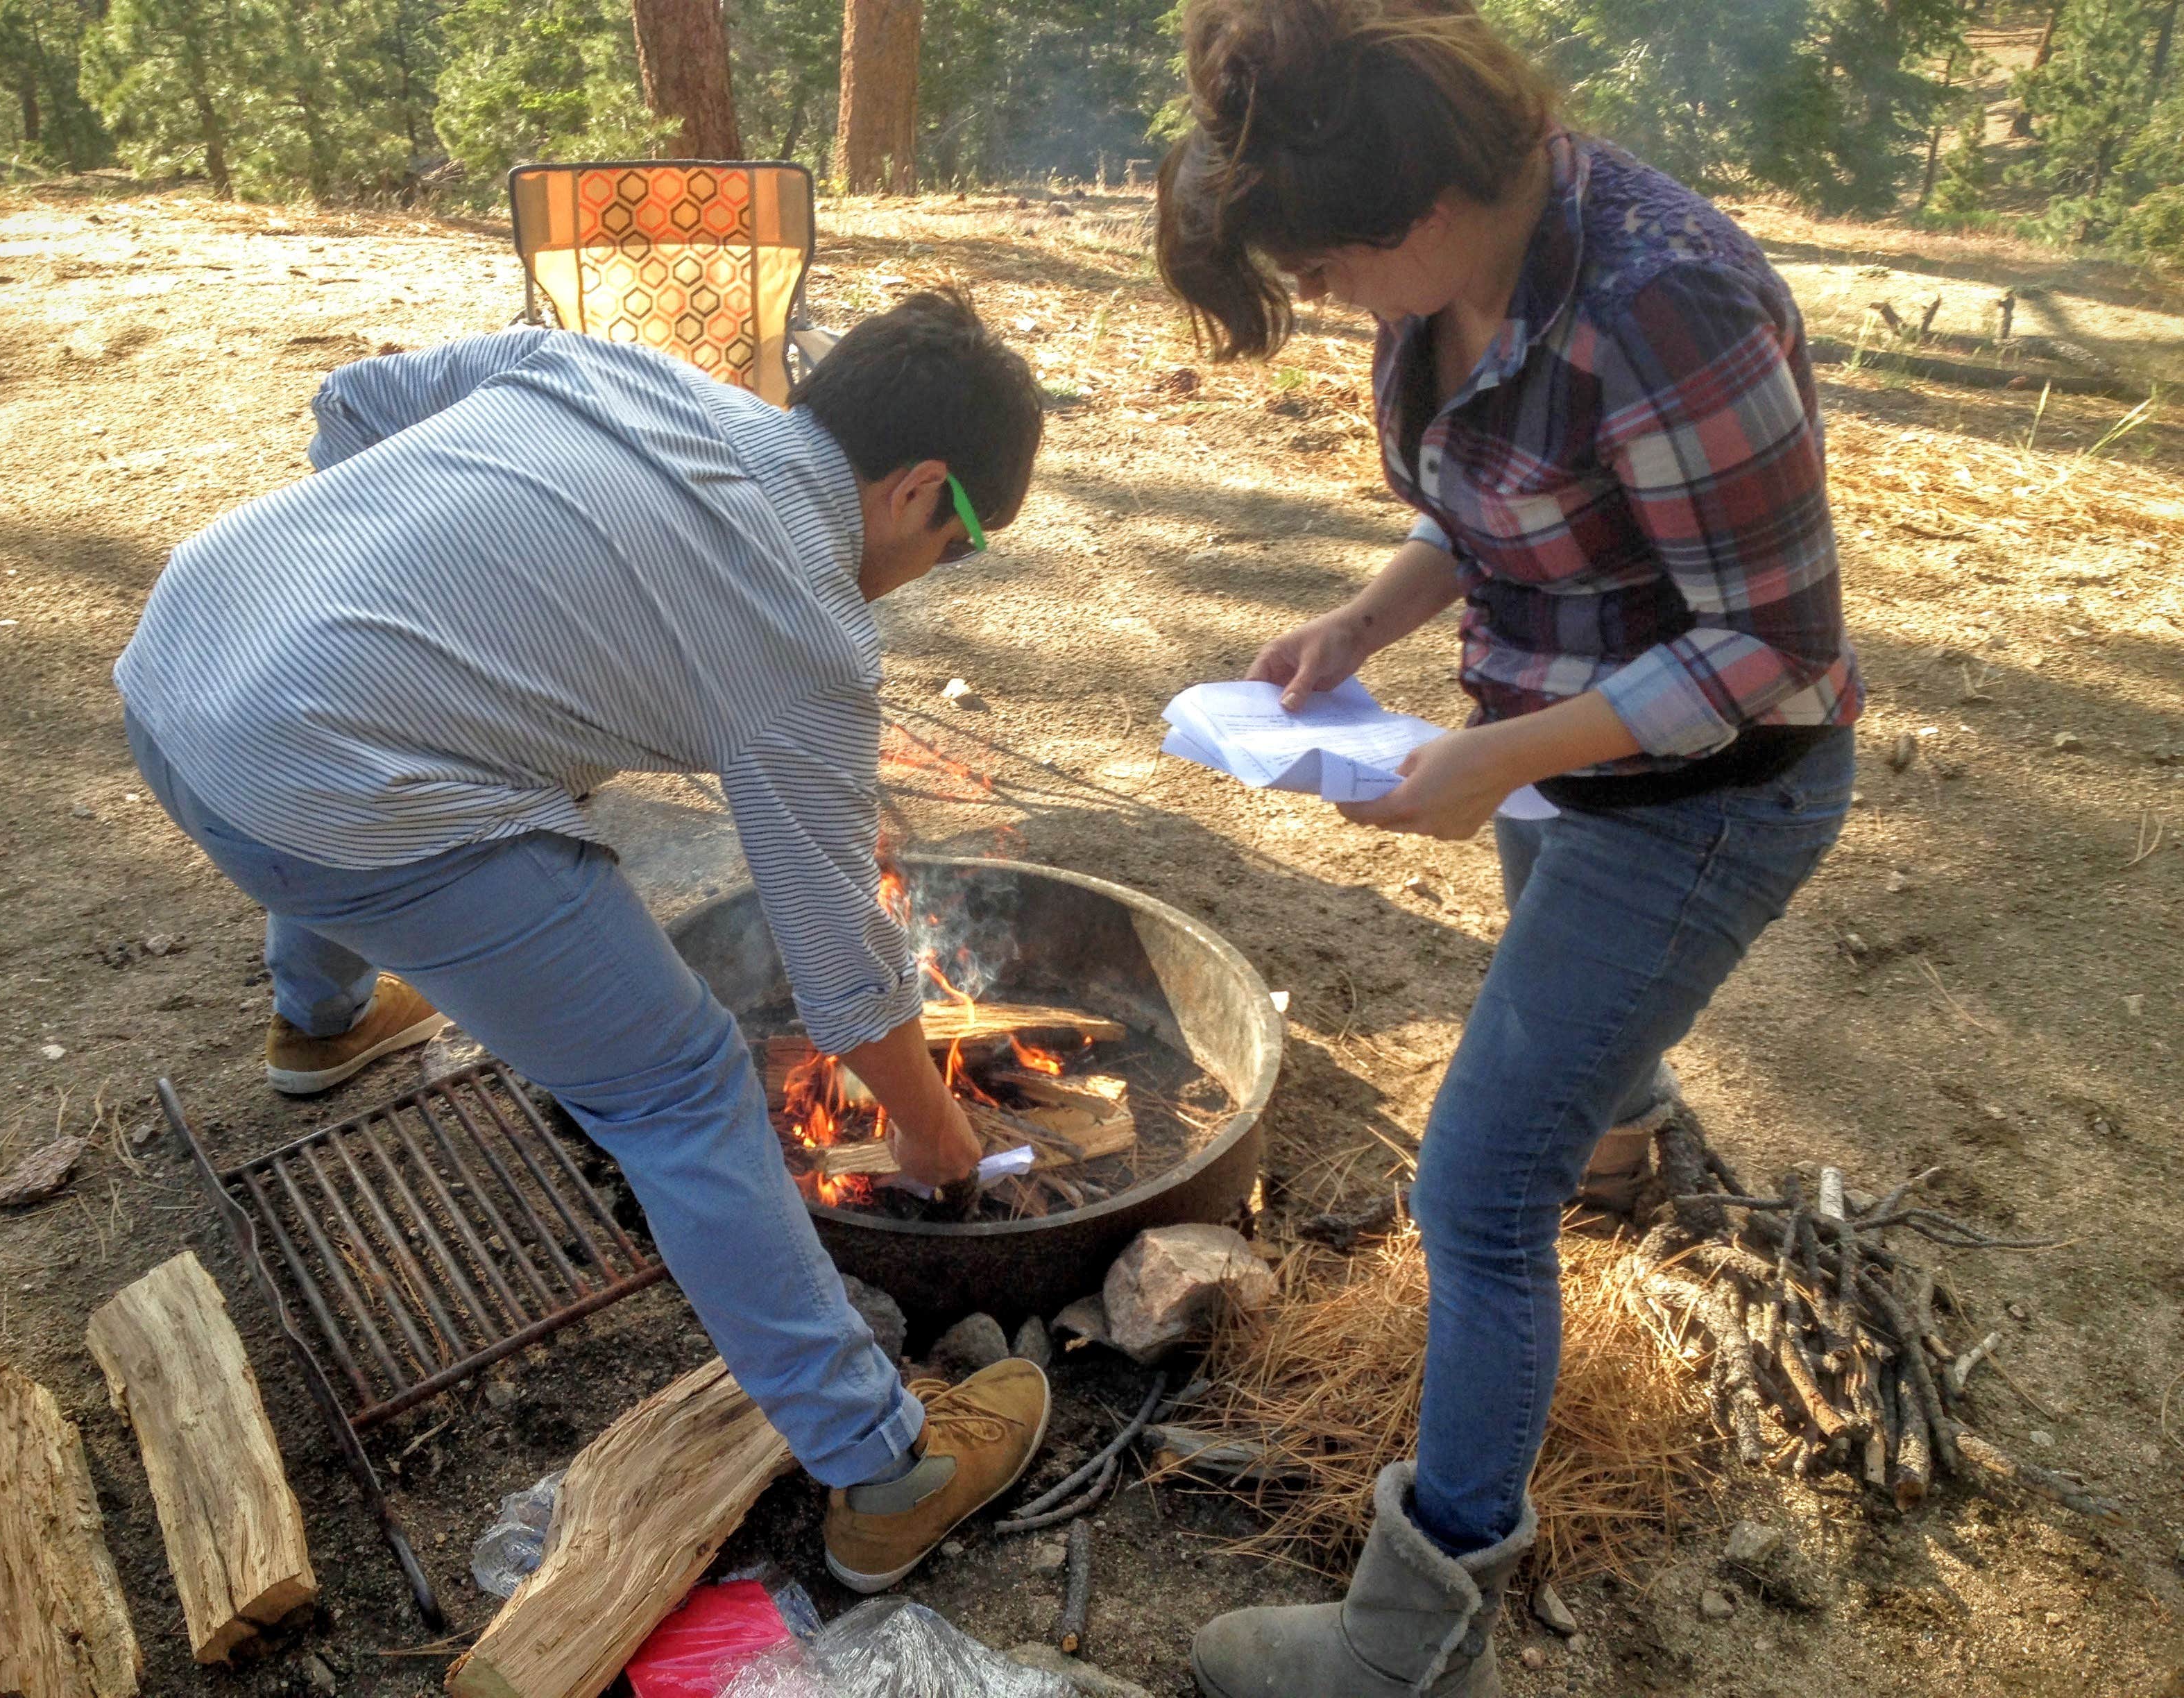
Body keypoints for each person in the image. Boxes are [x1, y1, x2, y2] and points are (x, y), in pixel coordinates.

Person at [114, 289, 1052, 1593]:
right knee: (678, 1086)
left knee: (365, 741)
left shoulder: (609, 368)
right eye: (963, 546)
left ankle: (317, 1023)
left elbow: (352, 405)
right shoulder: (806, 631)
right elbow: (840, 955)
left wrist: (375, 587)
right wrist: (933, 1130)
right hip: (318, 794)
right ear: (919, 489)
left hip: (182, 657)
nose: (941, 575)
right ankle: (887, 1468)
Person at [1155, 2, 1861, 1692]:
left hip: (1708, 793)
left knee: (1476, 1192)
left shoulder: (1664, 299)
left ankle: (1419, 1636)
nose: (1328, 306)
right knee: (1578, 1060)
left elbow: (1772, 645)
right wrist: (1365, 620)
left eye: (1325, 278)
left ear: (1414, 217)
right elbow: (1489, 502)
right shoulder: (1469, 264)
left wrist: (1497, 762)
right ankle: (1629, 1156)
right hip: (1561, 757)